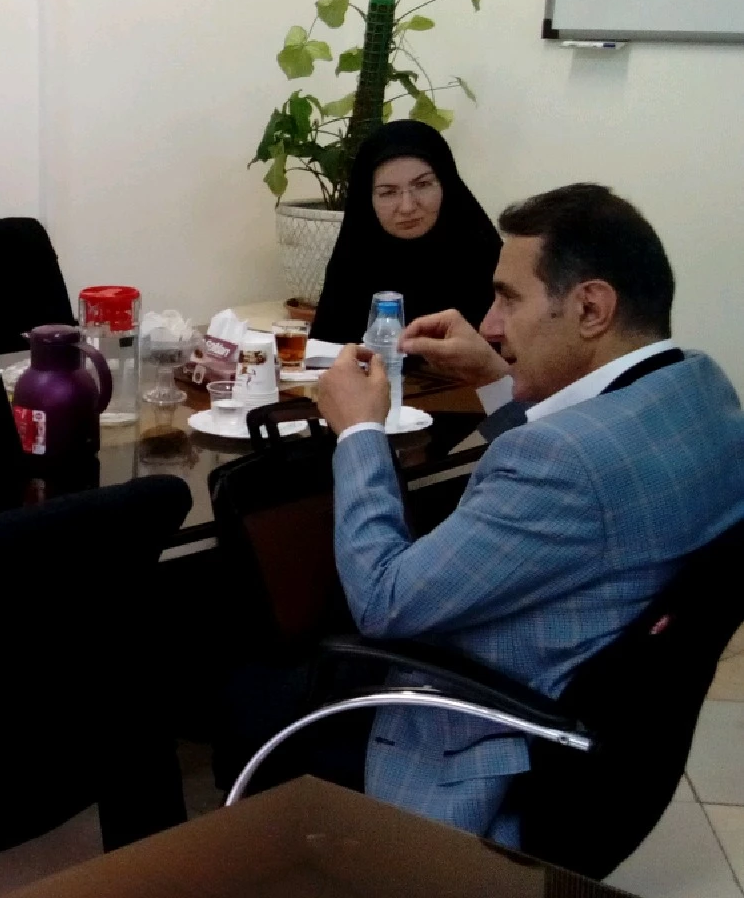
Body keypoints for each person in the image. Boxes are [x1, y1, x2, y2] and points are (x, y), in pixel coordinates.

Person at [314, 183, 744, 843]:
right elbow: (574, 471)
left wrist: (359, 432)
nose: (490, 323)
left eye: (508, 298)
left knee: (256, 683)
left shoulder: (563, 463)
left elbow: (382, 600)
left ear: (591, 307)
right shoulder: (701, 388)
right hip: (616, 758)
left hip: (491, 762)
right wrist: (496, 377)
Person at [309, 120, 501, 344]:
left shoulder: (488, 260)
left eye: (423, 185)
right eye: (388, 192)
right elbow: (325, 351)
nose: (407, 207)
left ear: (446, 184)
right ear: (366, 200)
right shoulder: (353, 265)